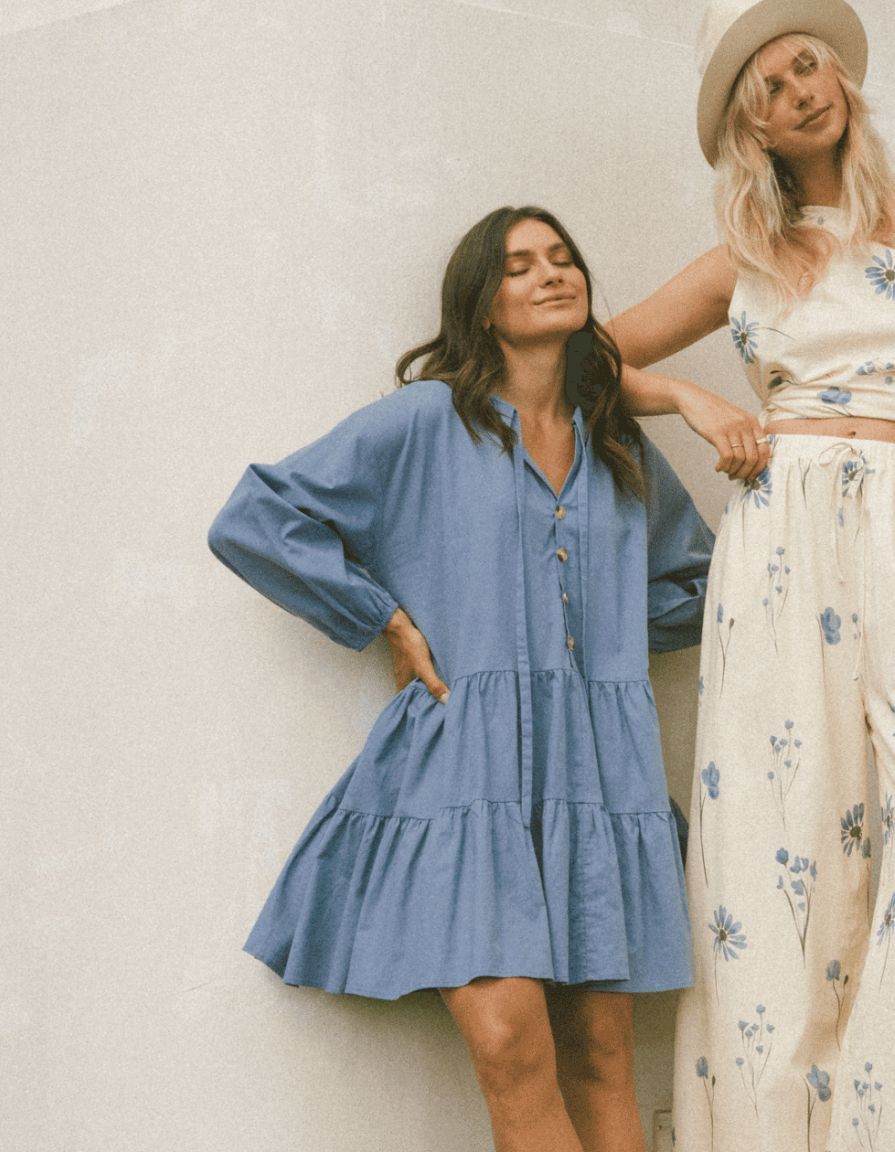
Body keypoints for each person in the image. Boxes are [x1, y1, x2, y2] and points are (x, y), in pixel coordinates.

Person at [605, 0, 895, 1146]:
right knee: (783, 838)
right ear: (757, 133)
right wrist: (694, 400)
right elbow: (589, 356)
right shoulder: (742, 260)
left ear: (834, 69)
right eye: (771, 91)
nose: (801, 90)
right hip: (783, 537)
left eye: (806, 66)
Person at [208, 206, 715, 1152]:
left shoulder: (614, 442)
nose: (551, 274)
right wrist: (384, 619)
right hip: (461, 769)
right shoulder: (427, 420)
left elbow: (697, 584)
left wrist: (594, 631)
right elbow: (257, 516)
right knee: (509, 1042)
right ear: (482, 304)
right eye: (520, 266)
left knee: (605, 1054)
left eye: (564, 257)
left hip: (597, 776)